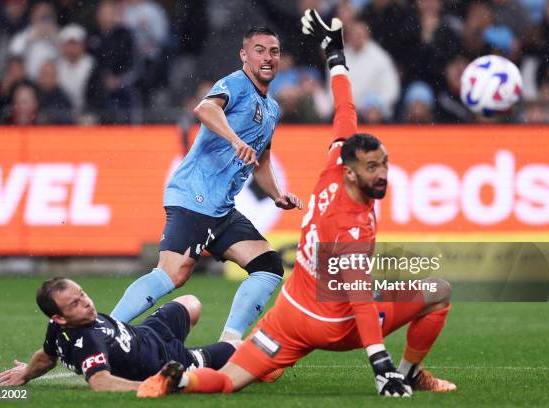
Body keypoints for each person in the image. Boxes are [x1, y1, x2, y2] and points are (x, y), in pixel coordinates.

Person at [136, 10, 457, 399]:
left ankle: (178, 379)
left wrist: (334, 55)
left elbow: (344, 109)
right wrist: (381, 366)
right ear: (354, 175)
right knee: (437, 289)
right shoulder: (350, 222)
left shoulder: (337, 160)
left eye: (385, 164)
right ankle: (407, 373)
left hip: (289, 316)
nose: (383, 174)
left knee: (232, 379)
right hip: (333, 321)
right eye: (374, 167)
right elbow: (358, 298)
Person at [111, 26, 302, 344]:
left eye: (274, 51)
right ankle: (106, 330)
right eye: (259, 50)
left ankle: (230, 343)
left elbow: (262, 161)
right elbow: (205, 108)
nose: (268, 57)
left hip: (221, 208)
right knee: (174, 272)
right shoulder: (237, 83)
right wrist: (234, 139)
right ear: (244, 55)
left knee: (268, 266)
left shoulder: (272, 109)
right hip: (194, 196)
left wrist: (277, 195)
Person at [0, 277, 237, 392]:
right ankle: (194, 362)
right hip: (167, 357)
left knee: (190, 302)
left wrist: (26, 373)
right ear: (59, 317)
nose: (87, 303)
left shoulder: (58, 327)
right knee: (240, 348)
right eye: (75, 304)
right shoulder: (87, 340)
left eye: (82, 293)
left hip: (149, 331)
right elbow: (100, 382)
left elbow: (47, 356)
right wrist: (150, 385)